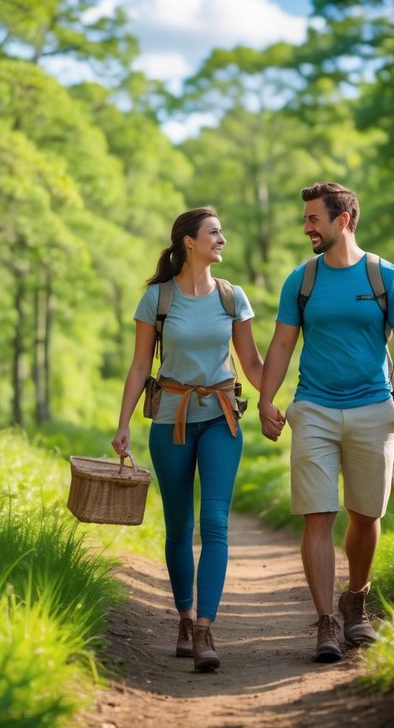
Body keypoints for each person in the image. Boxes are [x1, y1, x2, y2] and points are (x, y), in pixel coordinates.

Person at [258, 182, 394, 663]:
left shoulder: (385, 277)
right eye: (305, 219)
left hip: (373, 409)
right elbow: (281, 345)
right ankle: (325, 621)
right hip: (313, 409)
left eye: (314, 219)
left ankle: (355, 599)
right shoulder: (302, 280)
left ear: (343, 220)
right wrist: (265, 400)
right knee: (318, 515)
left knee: (366, 515)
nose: (306, 227)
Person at [111, 207, 263, 673]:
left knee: (214, 523)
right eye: (214, 233)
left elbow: (253, 364)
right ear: (189, 243)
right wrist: (122, 425)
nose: (222, 239)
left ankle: (204, 629)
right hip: (169, 422)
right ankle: (183, 616)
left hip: (221, 419)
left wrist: (275, 402)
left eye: (221, 232)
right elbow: (140, 366)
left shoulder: (232, 297)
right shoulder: (157, 299)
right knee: (179, 527)